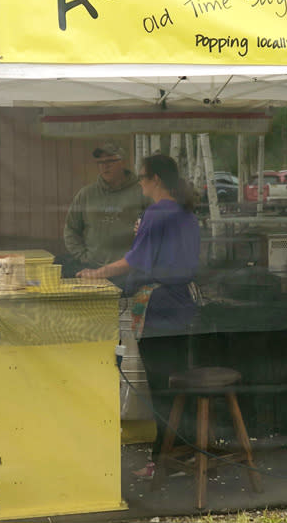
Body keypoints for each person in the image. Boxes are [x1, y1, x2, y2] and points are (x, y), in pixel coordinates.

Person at [77, 154, 201, 479]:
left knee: (161, 387)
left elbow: (134, 261)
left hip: (160, 304)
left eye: (143, 178)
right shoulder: (185, 212)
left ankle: (162, 461)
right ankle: (179, 453)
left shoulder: (157, 212)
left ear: (156, 179)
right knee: (176, 383)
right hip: (184, 302)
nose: (140, 183)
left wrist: (96, 273)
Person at [61, 142, 146, 277]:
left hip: (128, 271)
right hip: (92, 269)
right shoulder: (86, 194)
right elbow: (71, 229)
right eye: (100, 162)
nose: (105, 166)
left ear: (123, 162)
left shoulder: (142, 192)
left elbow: (155, 230)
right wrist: (84, 257)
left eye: (111, 161)